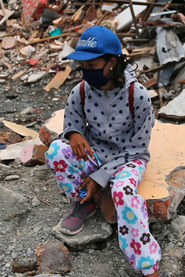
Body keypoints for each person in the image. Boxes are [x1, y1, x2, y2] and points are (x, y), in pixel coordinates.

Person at [46, 26, 160, 276]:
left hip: (129, 158)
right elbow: (72, 122)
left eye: (90, 64)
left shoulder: (137, 95)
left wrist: (101, 176)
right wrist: (74, 134)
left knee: (123, 192)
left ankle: (147, 264)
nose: (85, 71)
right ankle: (83, 201)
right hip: (95, 152)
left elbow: (138, 146)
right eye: (82, 65)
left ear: (111, 63)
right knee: (56, 151)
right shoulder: (81, 91)